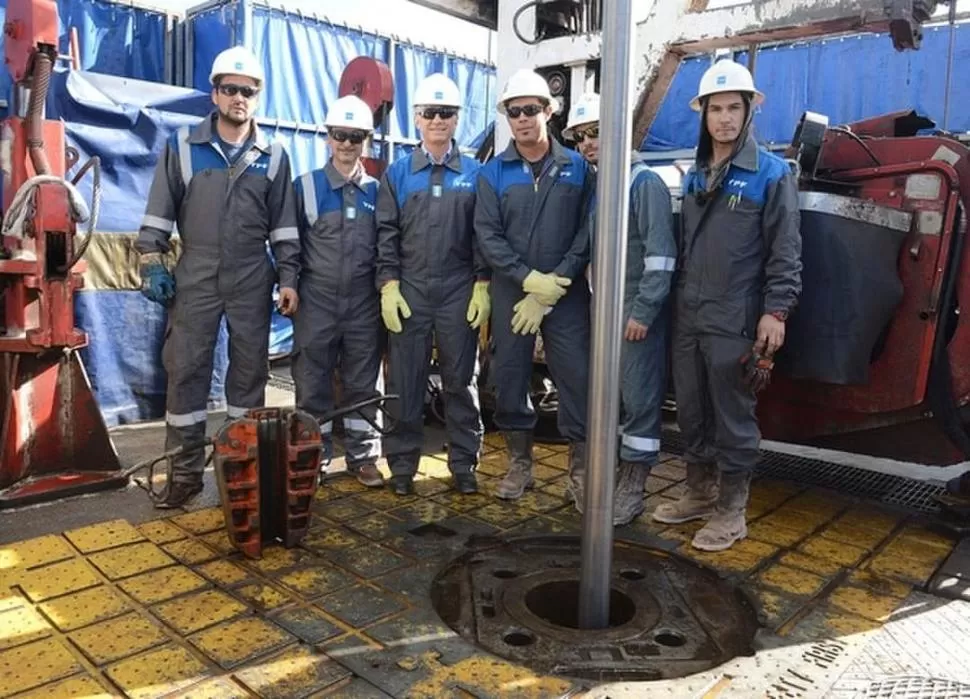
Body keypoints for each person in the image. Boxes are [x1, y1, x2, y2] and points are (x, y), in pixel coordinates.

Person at [136, 46, 300, 509]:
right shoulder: (184, 146)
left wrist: (288, 278)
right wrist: (152, 264)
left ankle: (239, 472)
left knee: (248, 379)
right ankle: (185, 477)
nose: (239, 98)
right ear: (215, 93)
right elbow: (157, 217)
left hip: (252, 275)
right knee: (186, 373)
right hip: (197, 276)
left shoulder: (274, 155)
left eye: (248, 91)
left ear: (258, 97)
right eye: (230, 88)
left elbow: (284, 227)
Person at [652, 59, 802, 550]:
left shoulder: (771, 175)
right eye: (715, 108)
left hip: (735, 317)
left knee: (733, 415)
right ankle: (698, 492)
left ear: (748, 110)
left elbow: (786, 250)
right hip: (689, 313)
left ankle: (731, 511)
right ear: (704, 114)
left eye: (733, 107)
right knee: (691, 410)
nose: (724, 118)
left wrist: (776, 311)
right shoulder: (697, 174)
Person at [475, 68, 595, 506]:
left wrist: (553, 285)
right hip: (512, 292)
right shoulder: (492, 174)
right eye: (514, 111)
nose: (523, 118)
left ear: (549, 110)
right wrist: (528, 280)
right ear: (506, 116)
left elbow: (588, 230)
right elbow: (487, 235)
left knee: (576, 379)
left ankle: (580, 471)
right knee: (509, 377)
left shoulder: (578, 168)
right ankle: (519, 465)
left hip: (564, 296)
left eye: (531, 109)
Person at [563, 92, 677, 526]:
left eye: (595, 133)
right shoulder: (604, 185)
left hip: (633, 313)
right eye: (580, 138)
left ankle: (633, 487)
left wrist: (643, 312)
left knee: (639, 400)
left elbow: (661, 256)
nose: (588, 144)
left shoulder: (643, 183)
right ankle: (610, 479)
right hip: (606, 311)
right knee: (610, 399)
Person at [376, 73, 489, 496]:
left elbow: (483, 233)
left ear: (457, 119)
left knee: (461, 381)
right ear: (416, 119)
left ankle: (463, 464)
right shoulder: (399, 173)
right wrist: (388, 284)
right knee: (405, 380)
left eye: (446, 113)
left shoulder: (476, 174)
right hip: (411, 290)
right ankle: (402, 466)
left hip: (460, 289)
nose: (438, 120)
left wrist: (483, 283)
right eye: (430, 113)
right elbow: (385, 232)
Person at [291, 95, 385, 487]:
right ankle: (316, 456)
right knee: (313, 380)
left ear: (366, 140)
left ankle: (363, 457)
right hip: (316, 300)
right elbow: (288, 245)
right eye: (340, 135)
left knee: (363, 380)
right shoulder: (306, 188)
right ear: (327, 137)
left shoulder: (379, 192)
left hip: (364, 302)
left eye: (356, 136)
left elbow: (388, 247)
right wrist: (288, 286)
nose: (347, 144)